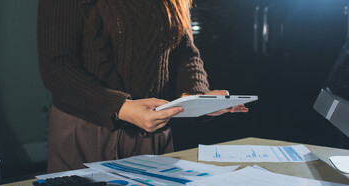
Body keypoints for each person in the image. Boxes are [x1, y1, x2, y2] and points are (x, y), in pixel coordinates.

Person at [37, 0, 248, 173]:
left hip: (153, 128)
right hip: (87, 129)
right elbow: (56, 66)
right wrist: (120, 107)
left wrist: (198, 98)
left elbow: (184, 52)